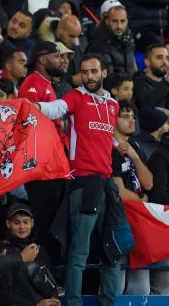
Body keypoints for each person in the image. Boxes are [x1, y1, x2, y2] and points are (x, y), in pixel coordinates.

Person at [37, 54, 123, 306]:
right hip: (84, 184)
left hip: (107, 184)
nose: (89, 77)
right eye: (84, 72)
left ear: (104, 73)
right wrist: (34, 106)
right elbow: (55, 109)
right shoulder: (77, 97)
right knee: (79, 253)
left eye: (93, 71)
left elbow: (108, 140)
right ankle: (73, 303)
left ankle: (108, 302)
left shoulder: (113, 105)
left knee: (112, 251)